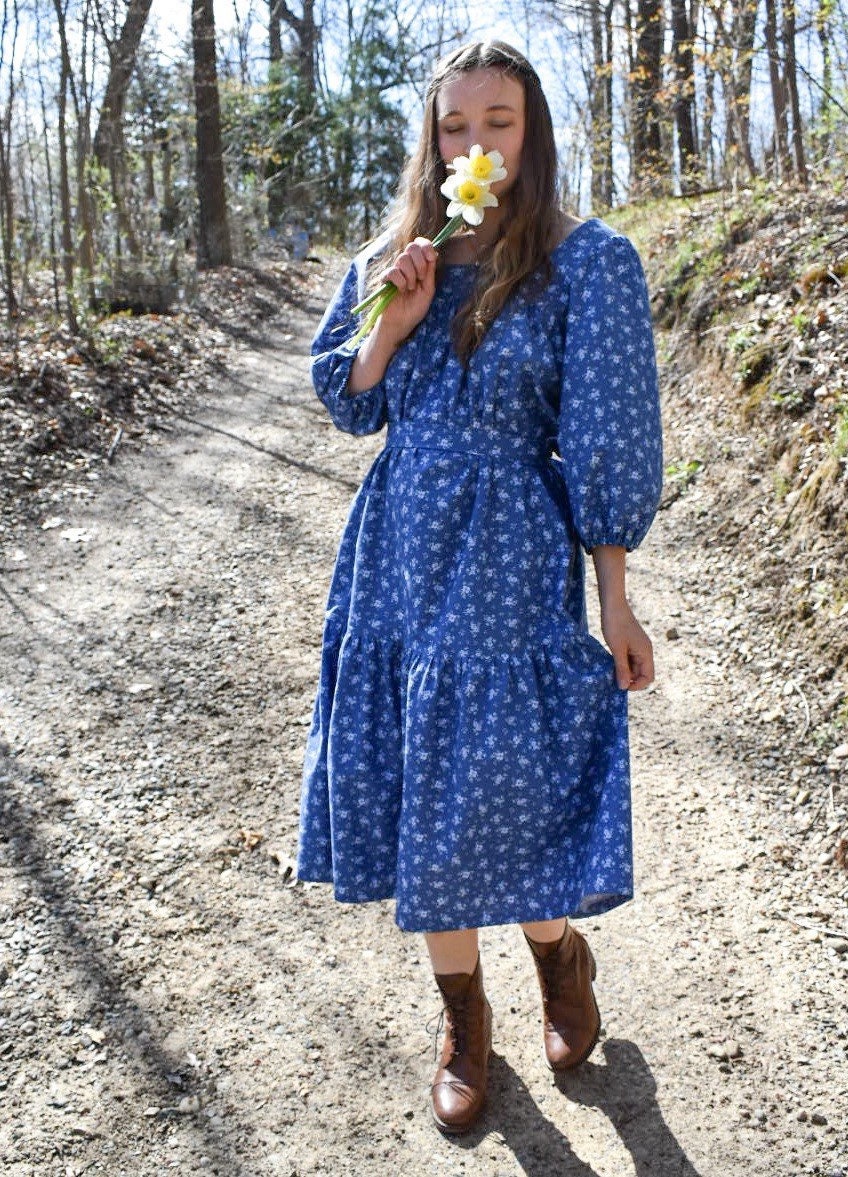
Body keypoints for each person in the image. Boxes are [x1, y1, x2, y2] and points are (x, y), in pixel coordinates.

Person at [296, 39, 662, 1135]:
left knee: (508, 776)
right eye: (455, 127)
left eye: (497, 123)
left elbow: (602, 437)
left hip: (507, 552)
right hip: (397, 550)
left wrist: (615, 596)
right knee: (421, 782)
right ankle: (462, 1016)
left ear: (530, 133)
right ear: (433, 138)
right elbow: (348, 400)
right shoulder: (389, 258)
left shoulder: (584, 262)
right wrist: (394, 320)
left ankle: (557, 953)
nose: (475, 146)